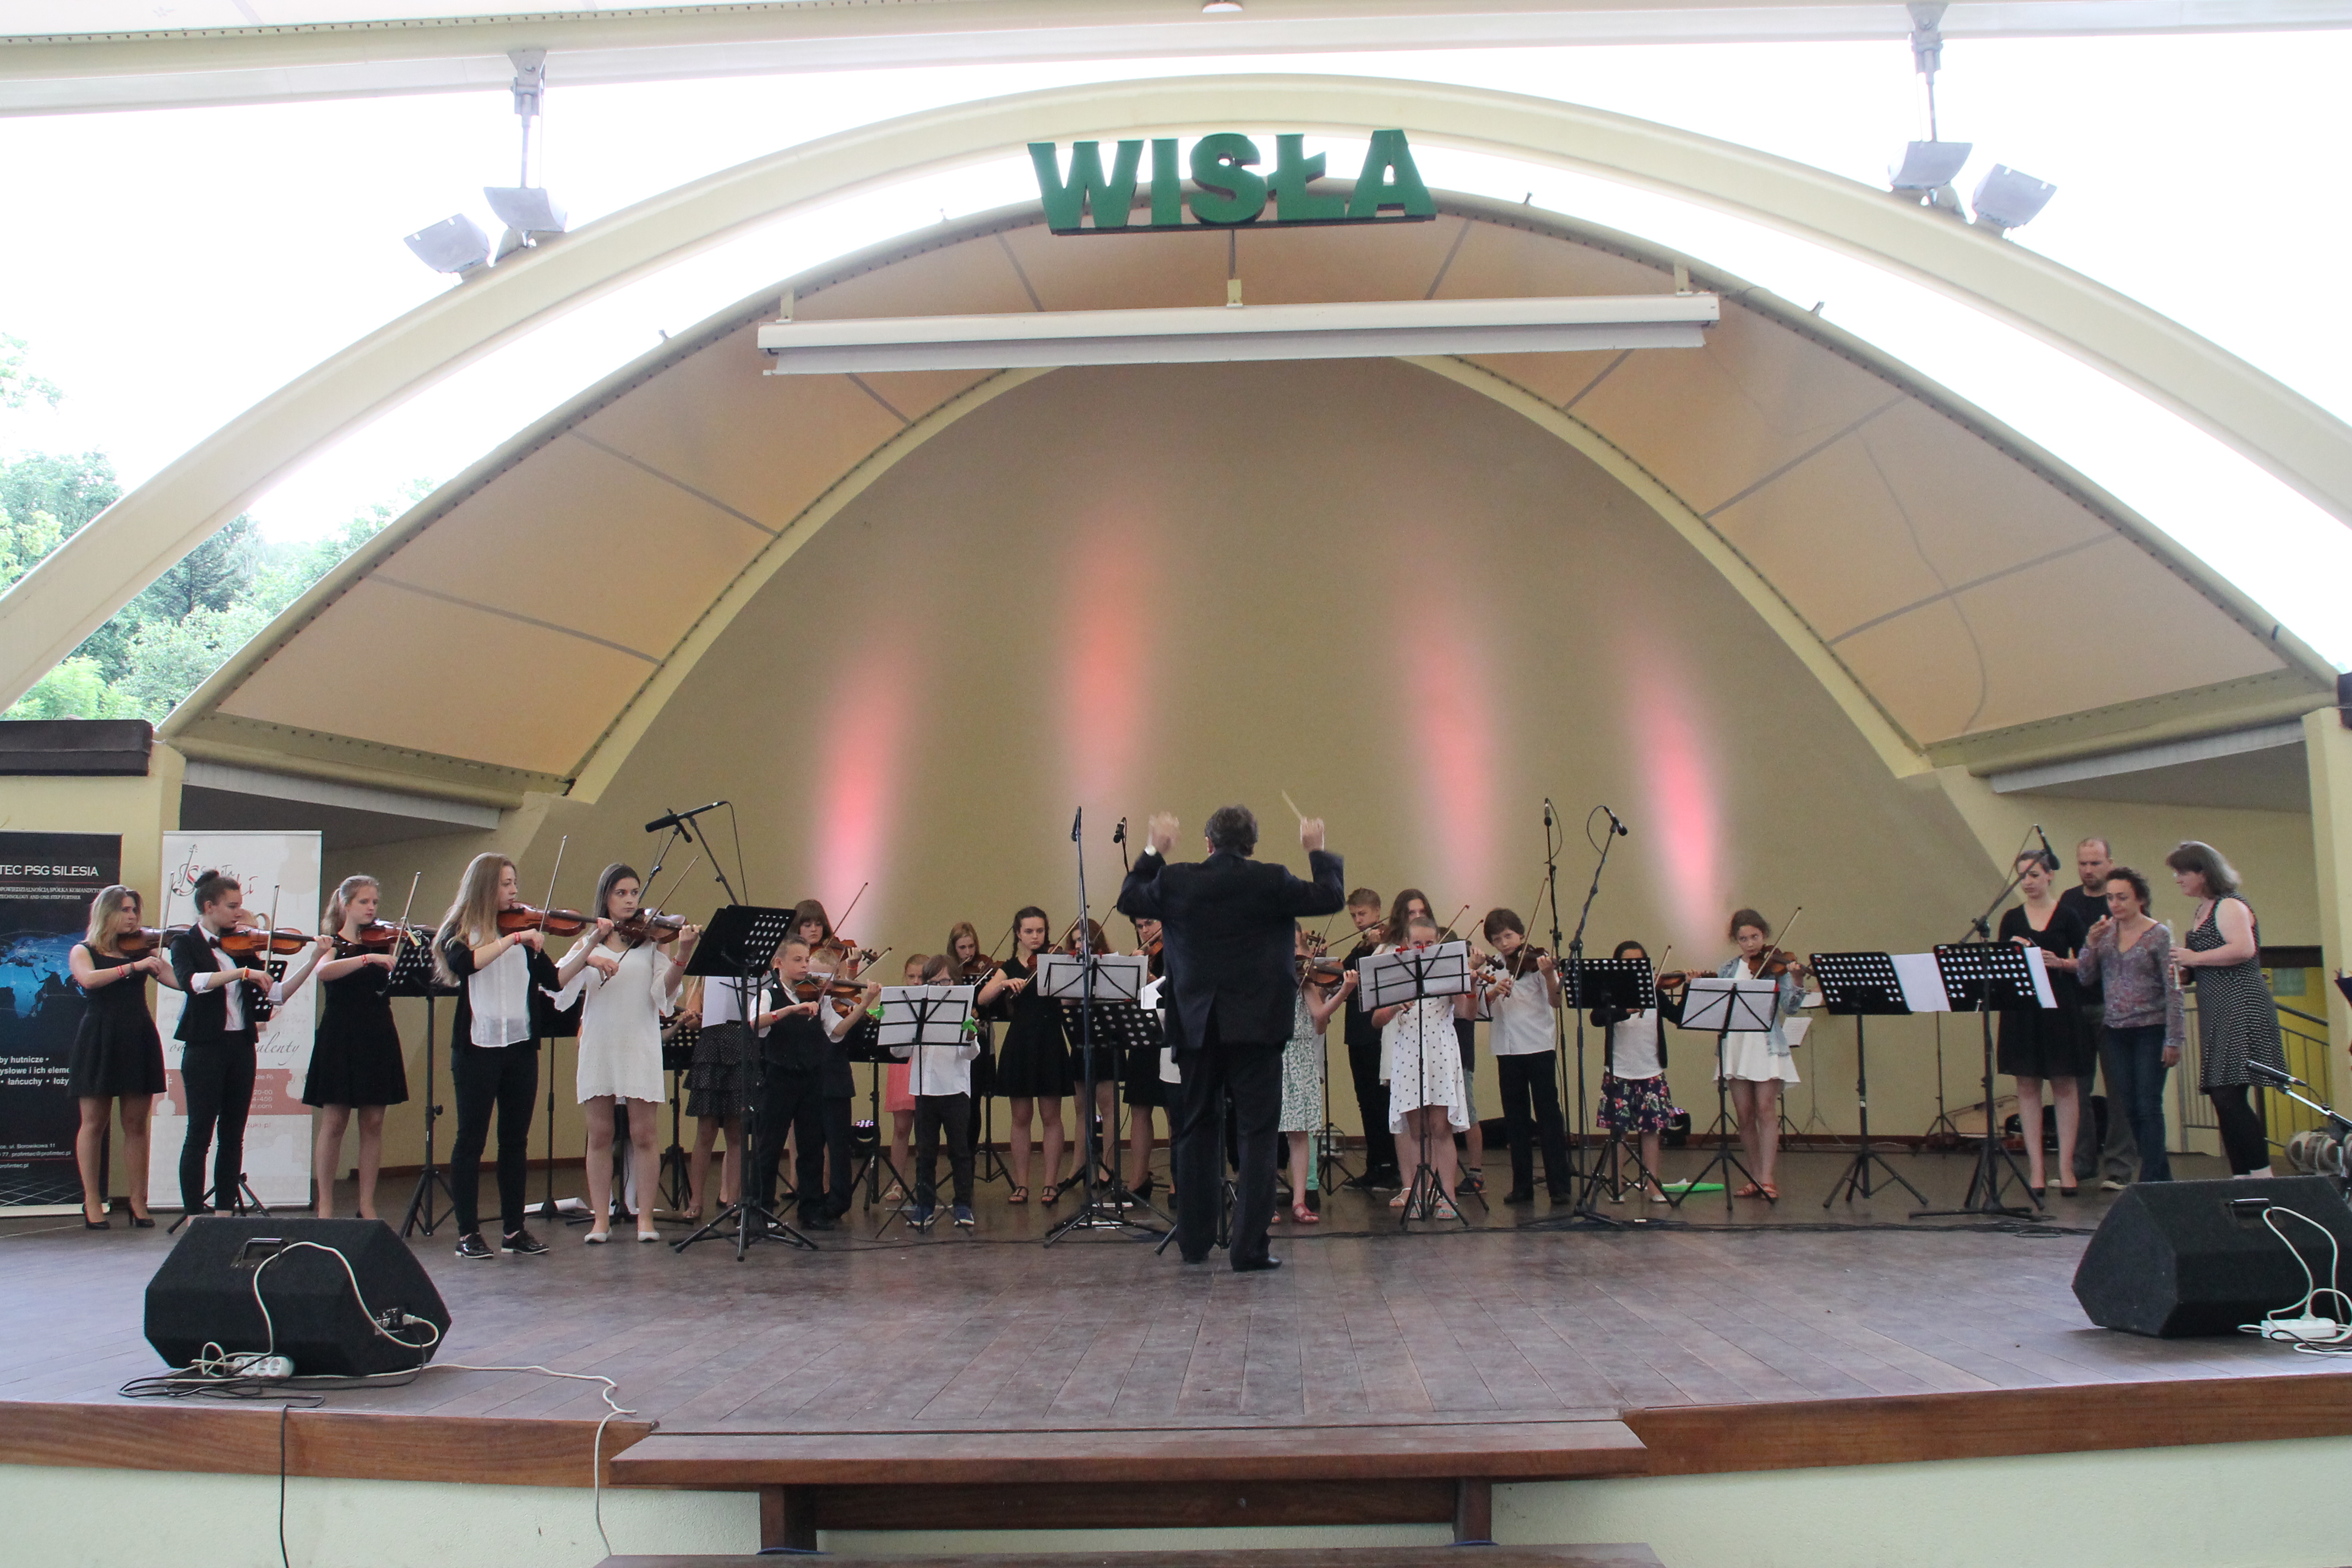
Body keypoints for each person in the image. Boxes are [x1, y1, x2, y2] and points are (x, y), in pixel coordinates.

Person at [1119, 803, 1344, 1271]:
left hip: (1197, 1025)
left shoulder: (1178, 879)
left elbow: (1130, 899)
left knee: (1195, 1130)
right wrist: (1316, 849)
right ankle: (1249, 1248)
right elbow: (1329, 897)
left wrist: (1154, 850)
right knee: (1257, 1134)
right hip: (1258, 1028)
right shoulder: (1271, 879)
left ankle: (1194, 1243)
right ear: (1251, 845)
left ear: (1208, 843)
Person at [551, 863, 699, 1243]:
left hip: (639, 1041)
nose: (631, 900)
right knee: (600, 1134)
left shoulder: (651, 941)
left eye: (635, 893)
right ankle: (600, 1220)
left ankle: (644, 1218)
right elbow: (558, 982)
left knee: (644, 1134)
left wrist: (682, 953)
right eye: (621, 893)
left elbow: (665, 994)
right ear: (606, 898)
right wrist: (590, 949)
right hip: (600, 1041)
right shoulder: (589, 941)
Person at [170, 871, 329, 1218]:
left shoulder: (239, 946)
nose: (239, 913)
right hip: (204, 1048)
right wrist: (242, 974)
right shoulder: (185, 943)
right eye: (232, 906)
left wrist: (314, 959)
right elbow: (192, 982)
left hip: (240, 1047)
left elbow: (277, 994)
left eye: (240, 906)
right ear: (209, 907)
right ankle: (195, 1216)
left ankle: (224, 1214)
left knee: (232, 1135)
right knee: (199, 1133)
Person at [434, 853, 563, 1259]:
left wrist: (590, 947)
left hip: (520, 1046)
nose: (514, 891)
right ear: (486, 886)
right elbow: (465, 964)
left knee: (515, 1141)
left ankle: (514, 1230)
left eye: (514, 883)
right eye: (506, 884)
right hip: (477, 1047)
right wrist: (512, 940)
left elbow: (555, 979)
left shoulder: (522, 929)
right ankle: (468, 1233)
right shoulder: (460, 930)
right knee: (471, 1140)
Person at [2166, 841, 2285, 1178]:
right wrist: (2186, 970)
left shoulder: (2230, 905)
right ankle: (2243, 1177)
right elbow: (2208, 961)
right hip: (2218, 1007)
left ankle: (2260, 1176)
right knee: (2223, 1096)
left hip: (2239, 1004)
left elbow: (2244, 949)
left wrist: (2194, 958)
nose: (2178, 879)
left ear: (2203, 873)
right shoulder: (2203, 909)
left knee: (2227, 1094)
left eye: (2182, 872)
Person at [66, 885, 176, 1228]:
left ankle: (138, 1201)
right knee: (94, 1123)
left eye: (134, 911)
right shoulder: (84, 950)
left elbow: (178, 982)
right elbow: (88, 980)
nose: (132, 917)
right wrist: (132, 967)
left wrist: (186, 956)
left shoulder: (144, 948)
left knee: (135, 1125)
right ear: (107, 913)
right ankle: (92, 1201)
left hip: (137, 1036)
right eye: (125, 910)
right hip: (99, 1037)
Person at [303, 875, 411, 1220]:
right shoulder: (333, 942)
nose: (372, 908)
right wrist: (368, 959)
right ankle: (325, 1203)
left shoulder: (383, 942)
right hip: (340, 1034)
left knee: (374, 1121)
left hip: (377, 1032)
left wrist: (394, 956)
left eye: (375, 902)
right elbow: (324, 972)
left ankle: (366, 1203)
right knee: (335, 1120)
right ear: (345, 904)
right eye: (364, 902)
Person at [2074, 867, 2184, 1183]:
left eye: (2122, 897)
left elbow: (2173, 989)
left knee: (2148, 1104)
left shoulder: (2158, 935)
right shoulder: (2106, 934)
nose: (2115, 904)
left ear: (2140, 899)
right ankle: (2157, 1174)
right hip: (2115, 1031)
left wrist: (2174, 1038)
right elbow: (2085, 977)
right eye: (2110, 898)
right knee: (2127, 1106)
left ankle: (2153, 1178)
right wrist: (2090, 944)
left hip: (2151, 1028)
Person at [1997, 855, 2092, 1196]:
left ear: (2050, 876)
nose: (2028, 882)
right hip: (2022, 1008)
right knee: (2027, 1085)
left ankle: (2066, 1167)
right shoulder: (2011, 918)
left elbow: (2088, 963)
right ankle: (2036, 1168)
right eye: (2022, 876)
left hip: (2060, 1006)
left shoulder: (2068, 915)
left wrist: (2061, 962)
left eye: (2034, 875)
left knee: (2065, 1084)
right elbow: (2001, 966)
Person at [1372, 914, 1473, 1216]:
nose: (1424, 948)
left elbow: (1467, 1012)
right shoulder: (1397, 971)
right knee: (1416, 1131)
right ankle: (1418, 1194)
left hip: (1440, 1050)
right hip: (1408, 1051)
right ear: (1406, 943)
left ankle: (1448, 1196)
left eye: (1430, 943)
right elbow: (1376, 1020)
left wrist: (1469, 984)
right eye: (1418, 943)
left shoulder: (1447, 969)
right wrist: (1394, 1006)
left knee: (1440, 1127)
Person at [1707, 909, 1806, 1202]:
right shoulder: (1728, 969)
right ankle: (1753, 1177)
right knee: (1744, 1114)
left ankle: (1767, 1178)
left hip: (1765, 1045)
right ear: (1736, 941)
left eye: (1755, 937)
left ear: (1764, 935)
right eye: (1744, 939)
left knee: (1765, 1109)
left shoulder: (1777, 966)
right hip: (1736, 1045)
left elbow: (1790, 1008)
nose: (1751, 944)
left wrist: (1797, 980)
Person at [1479, 909, 1571, 1204]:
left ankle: (1559, 1186)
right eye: (1497, 939)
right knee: (1515, 1120)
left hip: (1538, 1046)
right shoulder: (1492, 968)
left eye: (1508, 936)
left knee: (1548, 1117)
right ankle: (1522, 1186)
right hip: (1506, 1050)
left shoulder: (1537, 961)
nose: (1505, 943)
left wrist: (1549, 974)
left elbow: (1556, 1002)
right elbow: (1479, 1009)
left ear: (1520, 934)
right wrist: (1493, 992)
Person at [745, 935, 836, 1228]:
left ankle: (811, 1210)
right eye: (797, 960)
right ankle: (760, 1210)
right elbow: (755, 1023)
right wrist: (790, 1010)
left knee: (811, 1145)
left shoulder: (814, 993)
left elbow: (835, 1029)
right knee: (769, 1145)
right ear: (779, 963)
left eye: (807, 960)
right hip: (780, 1076)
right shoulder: (768, 994)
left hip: (812, 1075)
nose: (805, 965)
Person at [2056, 836, 2131, 1188]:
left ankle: (2118, 1168)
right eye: (2083, 864)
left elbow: (2126, 952)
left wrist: (2077, 960)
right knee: (2075, 1089)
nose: (2088, 870)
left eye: (2095, 863)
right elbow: (2066, 951)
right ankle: (2081, 1163)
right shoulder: (2069, 900)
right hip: (2076, 1003)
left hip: (2114, 1005)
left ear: (2110, 864)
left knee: (2119, 1089)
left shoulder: (2121, 899)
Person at [988, 907, 1067, 1205]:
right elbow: (983, 997)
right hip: (1020, 1043)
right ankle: (1021, 1184)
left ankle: (1050, 1184)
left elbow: (1070, 1000)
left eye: (1040, 931)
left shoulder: (1054, 962)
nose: (1036, 937)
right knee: (1020, 1118)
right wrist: (1003, 984)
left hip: (1050, 1041)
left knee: (1051, 1117)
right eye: (1029, 931)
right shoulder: (1009, 966)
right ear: (1018, 934)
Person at [1592, 939, 1680, 1202]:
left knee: (1651, 1131)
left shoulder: (1656, 992)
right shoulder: (1611, 993)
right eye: (1627, 963)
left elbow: (1678, 1016)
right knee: (1619, 1132)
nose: (1633, 967)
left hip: (1650, 1069)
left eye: (1639, 963)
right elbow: (1597, 1018)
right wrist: (1625, 1010)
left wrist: (1691, 988)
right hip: (1620, 1071)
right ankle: (1616, 1185)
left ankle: (1653, 1184)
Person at [900, 953, 982, 1228]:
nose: (940, 987)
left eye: (945, 981)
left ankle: (963, 1206)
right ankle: (925, 1206)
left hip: (955, 1090)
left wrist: (970, 1036)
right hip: (925, 1089)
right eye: (933, 983)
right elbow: (899, 1052)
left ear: (955, 982)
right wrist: (903, 1031)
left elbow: (970, 1054)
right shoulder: (918, 1012)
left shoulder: (963, 1011)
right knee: (925, 1153)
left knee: (960, 1151)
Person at [1280, 925, 1355, 1223]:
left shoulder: (1305, 979)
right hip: (1271, 1053)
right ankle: (1263, 1201)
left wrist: (1344, 990)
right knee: (1265, 1132)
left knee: (1300, 1132)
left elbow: (1320, 1020)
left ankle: (1299, 1201)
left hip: (1299, 1054)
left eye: (1295, 946)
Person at [1338, 888, 1400, 1191]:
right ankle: (1374, 1165)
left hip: (1376, 1032)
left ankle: (1390, 1166)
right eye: (1353, 915)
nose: (1358, 920)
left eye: (1362, 914)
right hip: (1357, 1031)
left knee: (1381, 1101)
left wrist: (1376, 947)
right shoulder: (1361, 946)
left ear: (1378, 912)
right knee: (1365, 1102)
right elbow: (1344, 973)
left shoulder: (1388, 945)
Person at [1123, 917, 1170, 1199]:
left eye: (1150, 923)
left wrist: (1152, 980)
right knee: (1139, 1107)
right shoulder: (1142, 956)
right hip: (1143, 1035)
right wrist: (1130, 974)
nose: (1145, 931)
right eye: (1140, 926)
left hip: (1170, 1034)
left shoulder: (1178, 951)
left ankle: (1179, 1180)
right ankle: (1139, 1178)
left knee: (1173, 1108)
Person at [880, 954, 928, 1202]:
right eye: (912, 977)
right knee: (901, 1127)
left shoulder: (936, 1003)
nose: (917, 982)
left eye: (922, 977)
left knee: (925, 1129)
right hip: (903, 1064)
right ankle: (897, 1183)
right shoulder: (898, 1001)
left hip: (926, 1064)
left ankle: (924, 1182)